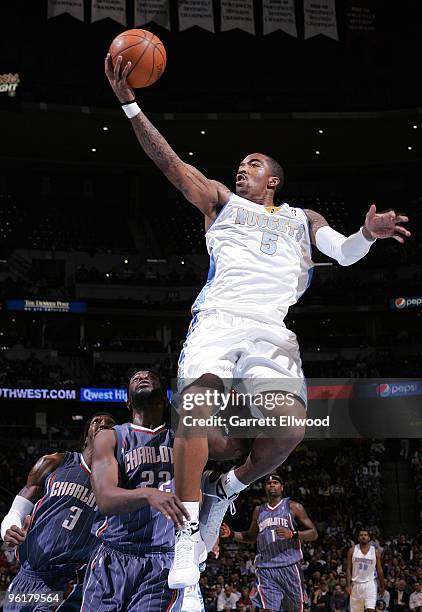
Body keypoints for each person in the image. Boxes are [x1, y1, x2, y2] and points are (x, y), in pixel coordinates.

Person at [104, 53, 411, 589]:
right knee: (196, 409)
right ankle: (187, 539)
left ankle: (227, 489)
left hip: (269, 330)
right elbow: (172, 165)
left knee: (290, 427)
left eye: (253, 163)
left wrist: (369, 235)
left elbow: (342, 252)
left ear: (274, 179)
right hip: (220, 320)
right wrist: (130, 104)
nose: (241, 167)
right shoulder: (220, 202)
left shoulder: (301, 219)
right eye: (240, 163)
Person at [81, 369, 189, 611]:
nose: (142, 377)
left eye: (150, 376)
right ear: (128, 401)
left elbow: (231, 448)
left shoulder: (182, 438)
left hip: (162, 560)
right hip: (114, 553)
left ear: (164, 397)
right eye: (135, 378)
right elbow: (105, 499)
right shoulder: (110, 437)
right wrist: (148, 493)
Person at [1, 412, 116, 611]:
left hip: (64, 584)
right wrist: (9, 528)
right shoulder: (54, 462)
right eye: (97, 421)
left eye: (111, 424)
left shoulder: (116, 483)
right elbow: (17, 510)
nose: (103, 425)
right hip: (25, 577)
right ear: (87, 432)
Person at [221, 474, 318, 611]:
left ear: (282, 487)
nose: (272, 485)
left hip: (289, 566)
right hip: (266, 568)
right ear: (265, 488)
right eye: (268, 483)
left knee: (294, 609)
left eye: (275, 482)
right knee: (268, 609)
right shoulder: (258, 511)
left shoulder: (294, 507)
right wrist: (231, 534)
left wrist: (293, 534)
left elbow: (313, 533)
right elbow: (250, 536)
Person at [346, 529, 385, 612]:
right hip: (356, 584)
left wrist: (383, 586)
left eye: (365, 535)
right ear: (358, 538)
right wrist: (348, 585)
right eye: (361, 535)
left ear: (369, 538)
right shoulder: (352, 550)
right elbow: (348, 569)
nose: (363, 537)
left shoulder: (375, 551)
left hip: (370, 583)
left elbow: (379, 569)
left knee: (370, 609)